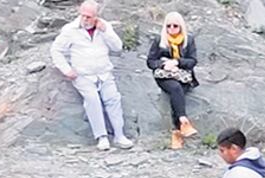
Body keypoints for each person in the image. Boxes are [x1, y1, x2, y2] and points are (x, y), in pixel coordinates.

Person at [51, 1, 133, 151]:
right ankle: (101, 137)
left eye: (89, 17)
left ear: (96, 16)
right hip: (83, 75)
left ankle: (119, 135)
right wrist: (66, 69)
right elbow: (56, 50)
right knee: (92, 100)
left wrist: (106, 32)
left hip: (104, 73)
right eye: (83, 15)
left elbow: (117, 47)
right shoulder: (70, 30)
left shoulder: (104, 27)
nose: (85, 19)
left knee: (113, 99)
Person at [146, 12, 199, 150]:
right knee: (175, 89)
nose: (172, 29)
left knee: (178, 92)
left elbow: (193, 61)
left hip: (183, 75)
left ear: (181, 27)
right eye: (168, 26)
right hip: (165, 76)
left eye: (175, 26)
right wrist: (164, 64)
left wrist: (177, 62)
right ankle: (183, 121)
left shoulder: (189, 40)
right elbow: (150, 61)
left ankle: (177, 133)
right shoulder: (160, 40)